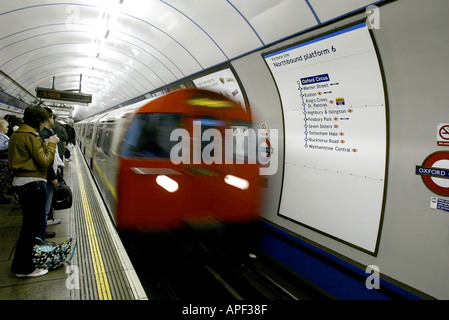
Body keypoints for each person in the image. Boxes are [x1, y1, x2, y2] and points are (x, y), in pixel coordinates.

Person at [9, 105, 59, 278]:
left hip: (21, 183)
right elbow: (44, 162)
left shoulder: (16, 135)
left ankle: (21, 265)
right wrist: (51, 145)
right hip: (33, 184)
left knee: (28, 228)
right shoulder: (31, 136)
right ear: (39, 121)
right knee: (33, 228)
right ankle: (26, 268)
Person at [39, 107, 62, 238]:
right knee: (44, 209)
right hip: (46, 178)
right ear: (49, 118)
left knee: (44, 209)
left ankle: (41, 234)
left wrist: (57, 166)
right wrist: (52, 177)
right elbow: (45, 160)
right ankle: (40, 238)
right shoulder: (44, 135)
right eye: (53, 117)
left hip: (47, 175)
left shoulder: (47, 133)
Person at [0, 120, 13, 204]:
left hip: (5, 161)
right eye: (6, 127)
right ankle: (1, 198)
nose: (7, 129)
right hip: (2, 162)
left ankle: (2, 196)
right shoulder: (0, 136)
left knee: (4, 181)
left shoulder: (3, 136)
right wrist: (11, 142)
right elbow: (0, 147)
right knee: (2, 181)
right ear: (1, 128)